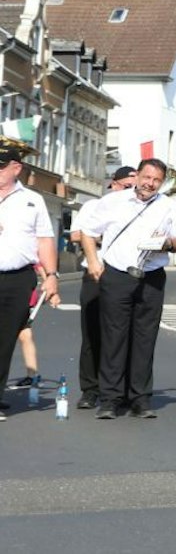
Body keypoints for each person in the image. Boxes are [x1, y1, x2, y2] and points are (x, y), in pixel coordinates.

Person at [81, 157, 176, 419]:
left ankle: (140, 398)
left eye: (156, 181)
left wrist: (167, 243)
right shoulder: (112, 202)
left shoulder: (170, 207)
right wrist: (93, 261)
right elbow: (87, 232)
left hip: (151, 276)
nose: (150, 184)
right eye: (147, 177)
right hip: (116, 273)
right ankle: (110, 399)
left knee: (145, 338)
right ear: (137, 176)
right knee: (114, 338)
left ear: (162, 183)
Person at [0, 146, 60, 423]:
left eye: (1, 166)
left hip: (18, 277)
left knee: (6, 339)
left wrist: (51, 276)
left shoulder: (33, 200)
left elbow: (45, 239)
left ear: (16, 168)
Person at [71, 165, 134, 410]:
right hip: (96, 272)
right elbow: (77, 234)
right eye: (127, 185)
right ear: (114, 184)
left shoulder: (138, 206)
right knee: (92, 333)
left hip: (125, 273)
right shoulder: (94, 206)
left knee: (123, 335)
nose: (131, 189)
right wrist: (104, 236)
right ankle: (90, 389)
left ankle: (121, 388)